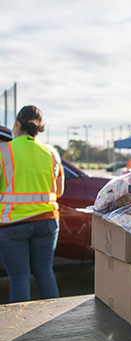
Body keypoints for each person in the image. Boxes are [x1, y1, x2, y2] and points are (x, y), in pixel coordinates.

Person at [0, 105, 65, 303]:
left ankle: (21, 330)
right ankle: (52, 324)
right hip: (47, 222)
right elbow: (59, 191)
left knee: (19, 277)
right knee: (45, 273)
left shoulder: (4, 151)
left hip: (13, 223)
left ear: (17, 124)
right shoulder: (52, 153)